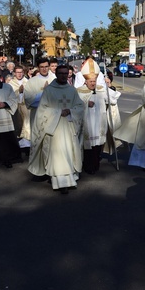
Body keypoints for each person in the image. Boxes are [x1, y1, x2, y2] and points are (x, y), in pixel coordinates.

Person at [28, 65, 84, 194]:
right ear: (57, 74)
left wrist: (70, 110)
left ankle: (70, 179)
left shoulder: (72, 90)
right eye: (61, 73)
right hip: (54, 128)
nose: (64, 76)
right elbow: (42, 110)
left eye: (66, 73)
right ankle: (59, 182)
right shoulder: (49, 91)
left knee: (68, 152)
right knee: (57, 155)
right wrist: (58, 112)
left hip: (69, 126)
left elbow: (80, 106)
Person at [76, 58, 121, 174]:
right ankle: (87, 166)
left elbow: (114, 99)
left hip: (99, 123)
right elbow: (74, 106)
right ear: (85, 81)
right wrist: (85, 103)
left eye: (94, 81)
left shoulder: (101, 89)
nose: (93, 83)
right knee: (87, 147)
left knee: (97, 146)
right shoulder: (78, 91)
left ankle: (95, 165)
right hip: (87, 124)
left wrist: (109, 86)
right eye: (90, 81)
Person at [24, 58, 56, 178]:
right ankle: (38, 168)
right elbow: (28, 100)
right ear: (38, 67)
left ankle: (51, 169)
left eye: (46, 66)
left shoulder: (55, 80)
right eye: (41, 66)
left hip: (53, 117)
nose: (44, 69)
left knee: (51, 143)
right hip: (37, 116)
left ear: (49, 67)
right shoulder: (32, 82)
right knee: (38, 141)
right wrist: (44, 94)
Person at [8, 64, 31, 151]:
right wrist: (19, 91)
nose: (19, 74)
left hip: (25, 107)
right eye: (17, 72)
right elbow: (9, 96)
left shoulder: (27, 82)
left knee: (27, 125)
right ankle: (16, 145)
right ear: (14, 73)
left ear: (23, 73)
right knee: (17, 125)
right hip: (15, 107)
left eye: (21, 72)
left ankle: (27, 146)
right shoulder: (10, 83)